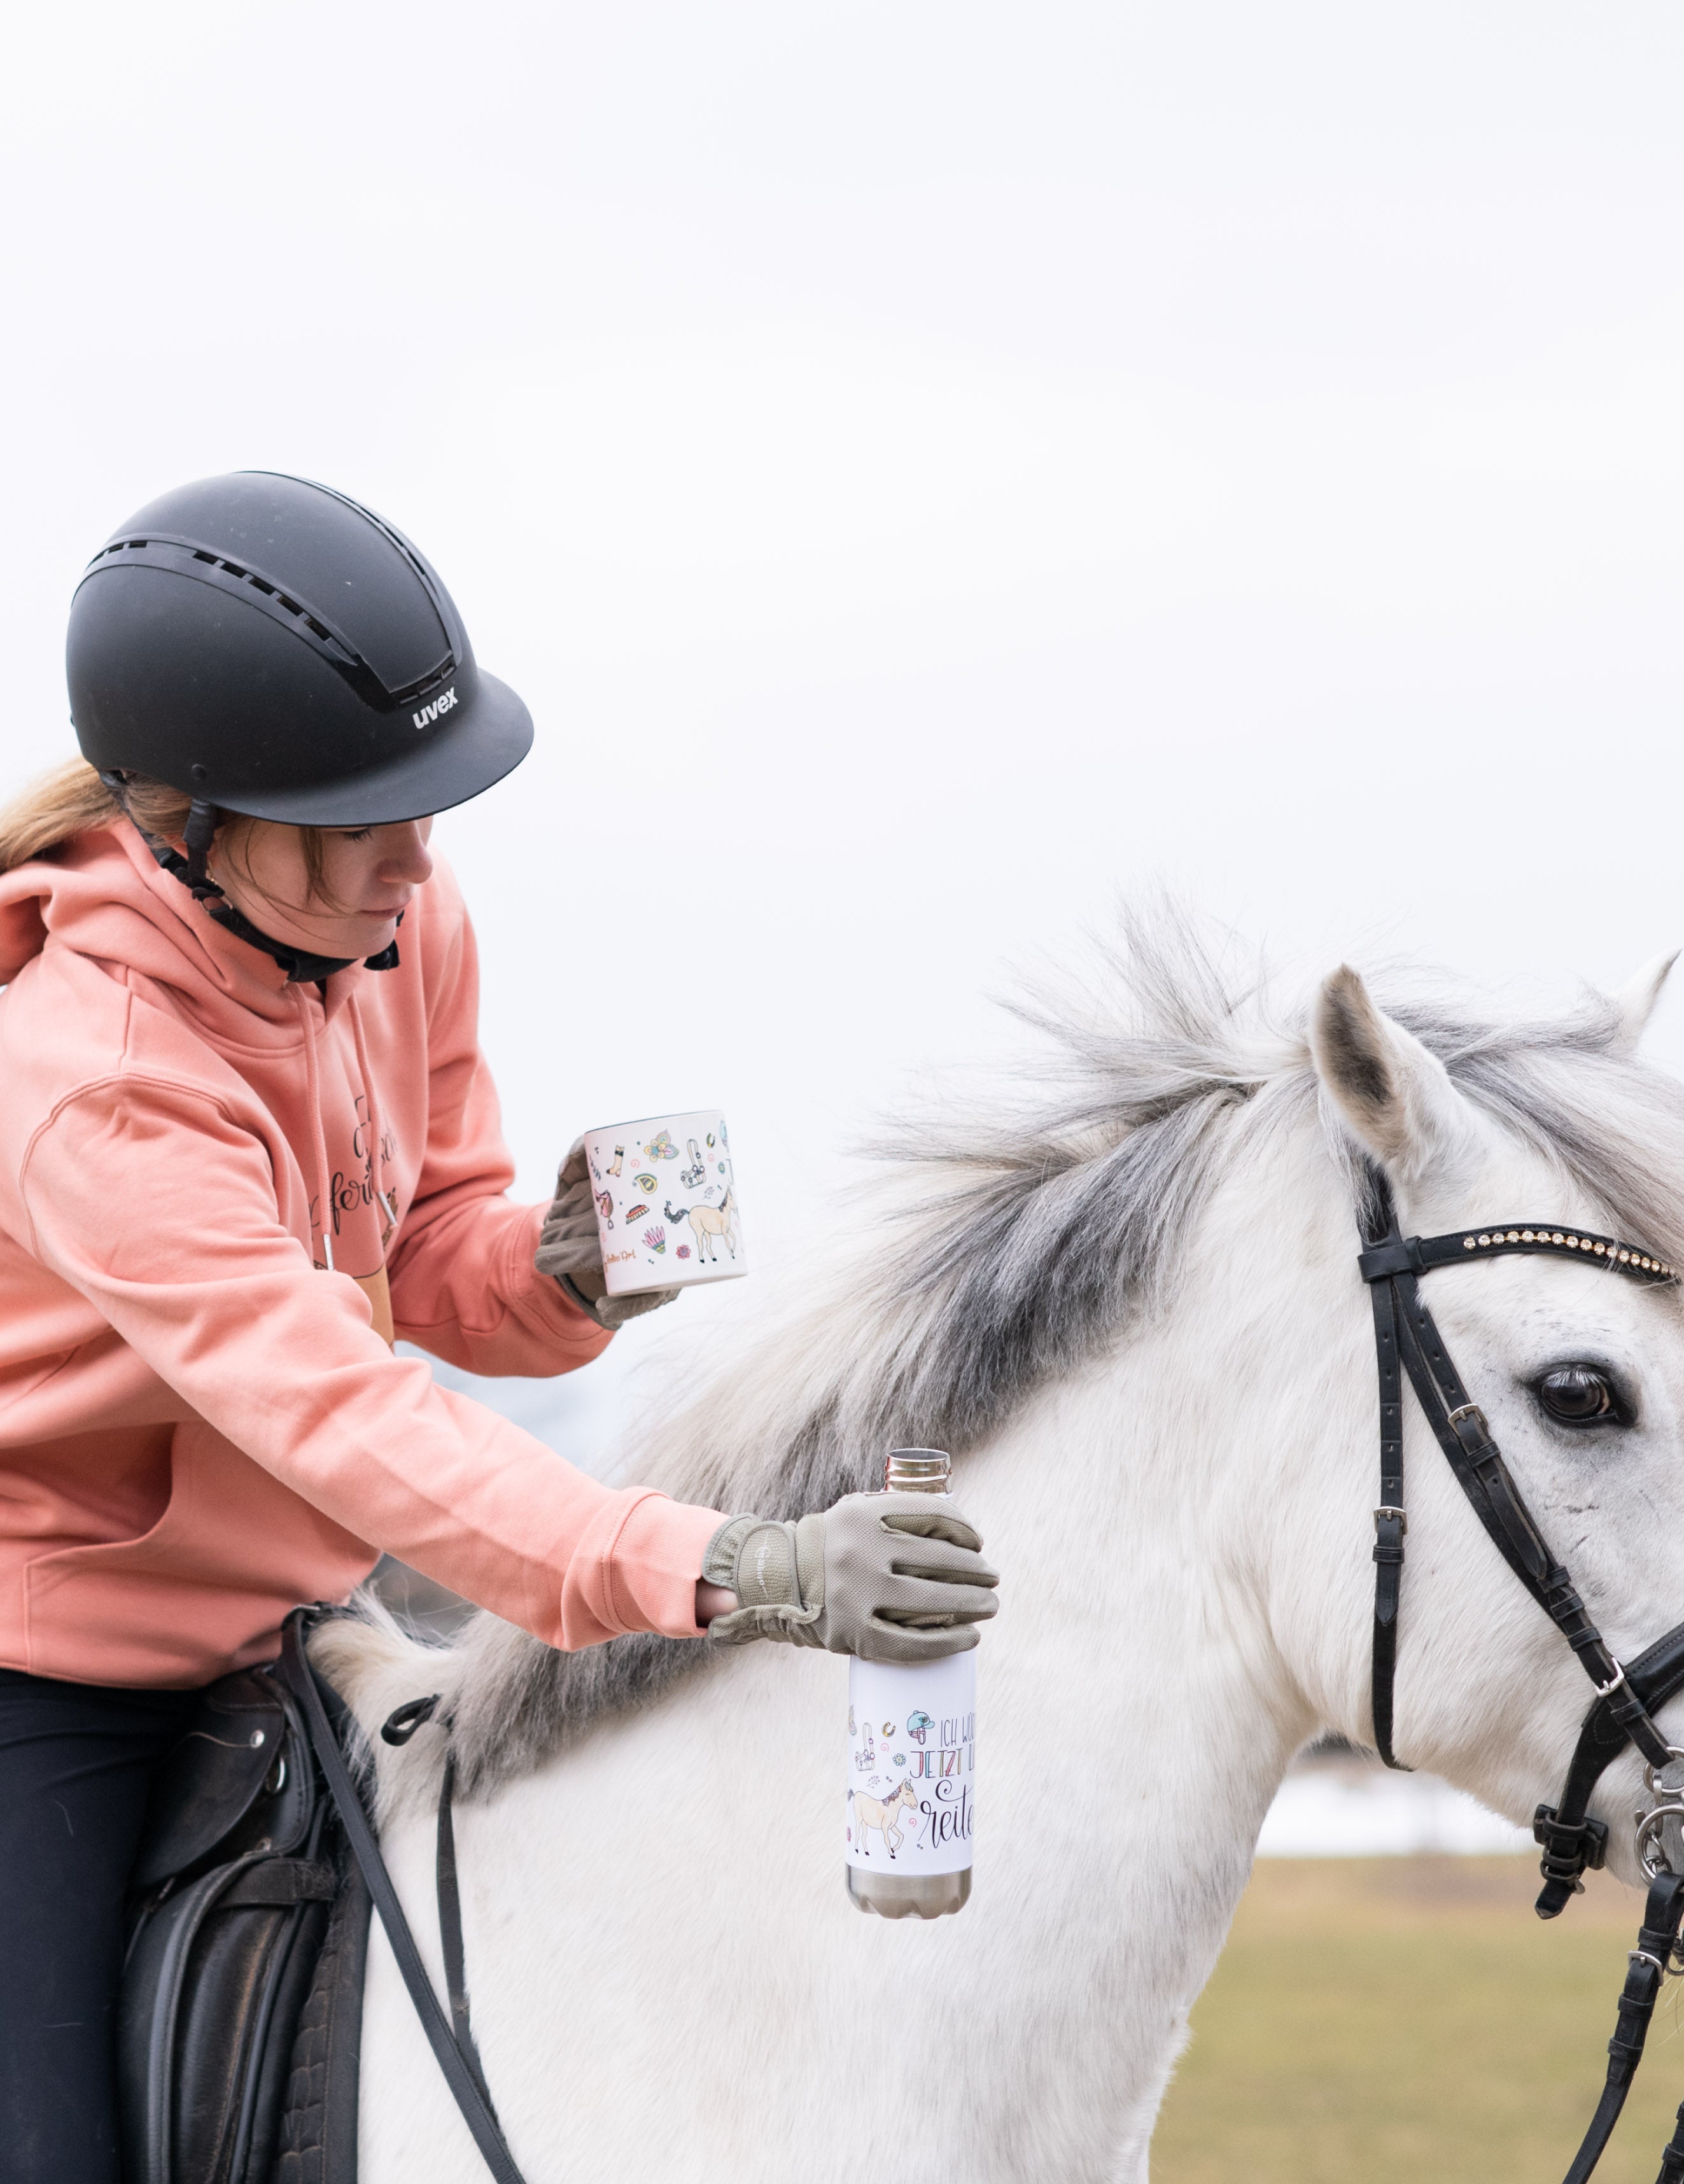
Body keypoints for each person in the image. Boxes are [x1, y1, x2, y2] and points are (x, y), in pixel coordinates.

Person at [0, 472, 999, 2181]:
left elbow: (419, 1251)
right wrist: (737, 1568)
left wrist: (558, 1276)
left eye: (424, 806)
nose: (417, 856)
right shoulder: (91, 1087)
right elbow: (344, 1413)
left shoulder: (395, 922)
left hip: (300, 1627)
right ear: (190, 824)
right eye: (361, 819)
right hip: (52, 1670)